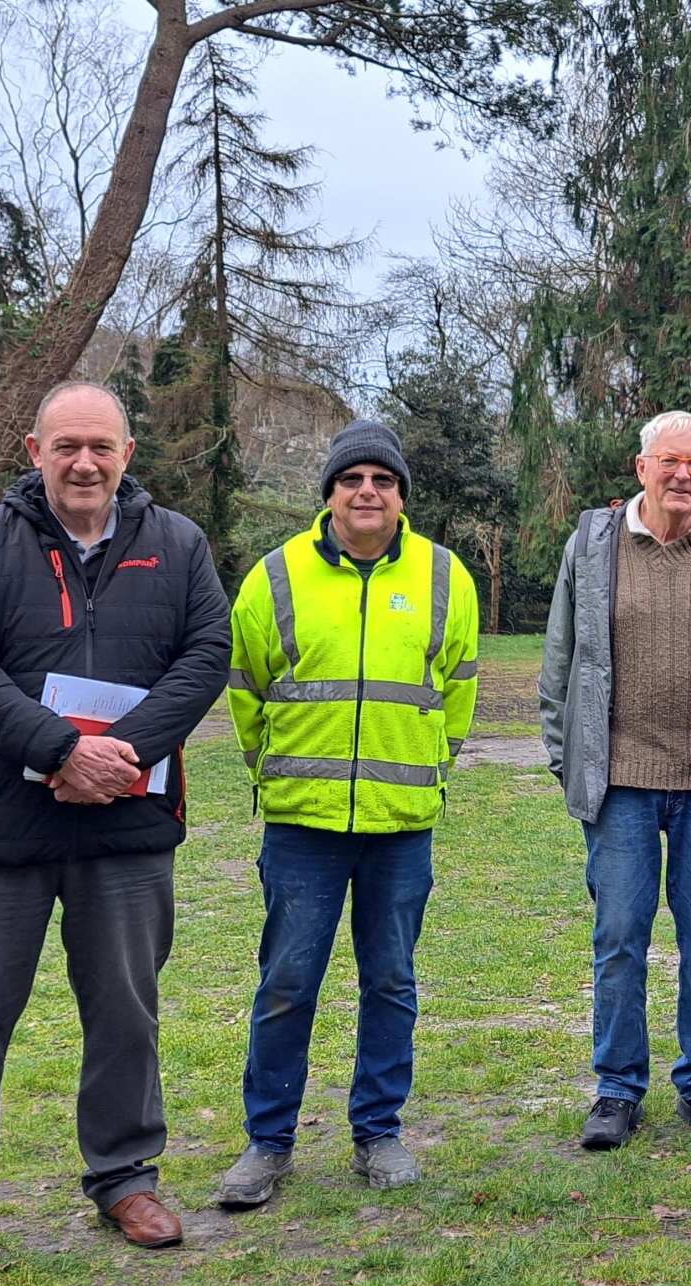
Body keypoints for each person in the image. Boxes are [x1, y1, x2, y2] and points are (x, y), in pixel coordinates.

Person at [0, 381, 230, 1286]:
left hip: (127, 826)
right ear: (34, 451)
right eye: (66, 445)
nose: (84, 462)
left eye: (100, 447)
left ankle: (124, 1178)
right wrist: (59, 748)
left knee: (125, 1014)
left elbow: (206, 656)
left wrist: (123, 753)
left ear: (126, 455)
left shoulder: (178, 544)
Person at [210, 419, 480, 1208]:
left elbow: (457, 687)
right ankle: (268, 1142)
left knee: (391, 979)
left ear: (401, 497)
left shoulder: (443, 575)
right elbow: (246, 687)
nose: (368, 492)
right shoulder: (276, 575)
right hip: (303, 824)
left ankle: (378, 1131)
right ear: (328, 493)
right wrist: (277, 773)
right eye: (353, 479)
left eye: (383, 481)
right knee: (288, 981)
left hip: (402, 824)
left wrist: (432, 770)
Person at [538, 411, 691, 1151]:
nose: (683, 474)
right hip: (621, 784)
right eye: (669, 460)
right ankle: (617, 1087)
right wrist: (567, 759)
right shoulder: (594, 542)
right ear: (641, 467)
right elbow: (558, 662)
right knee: (619, 935)